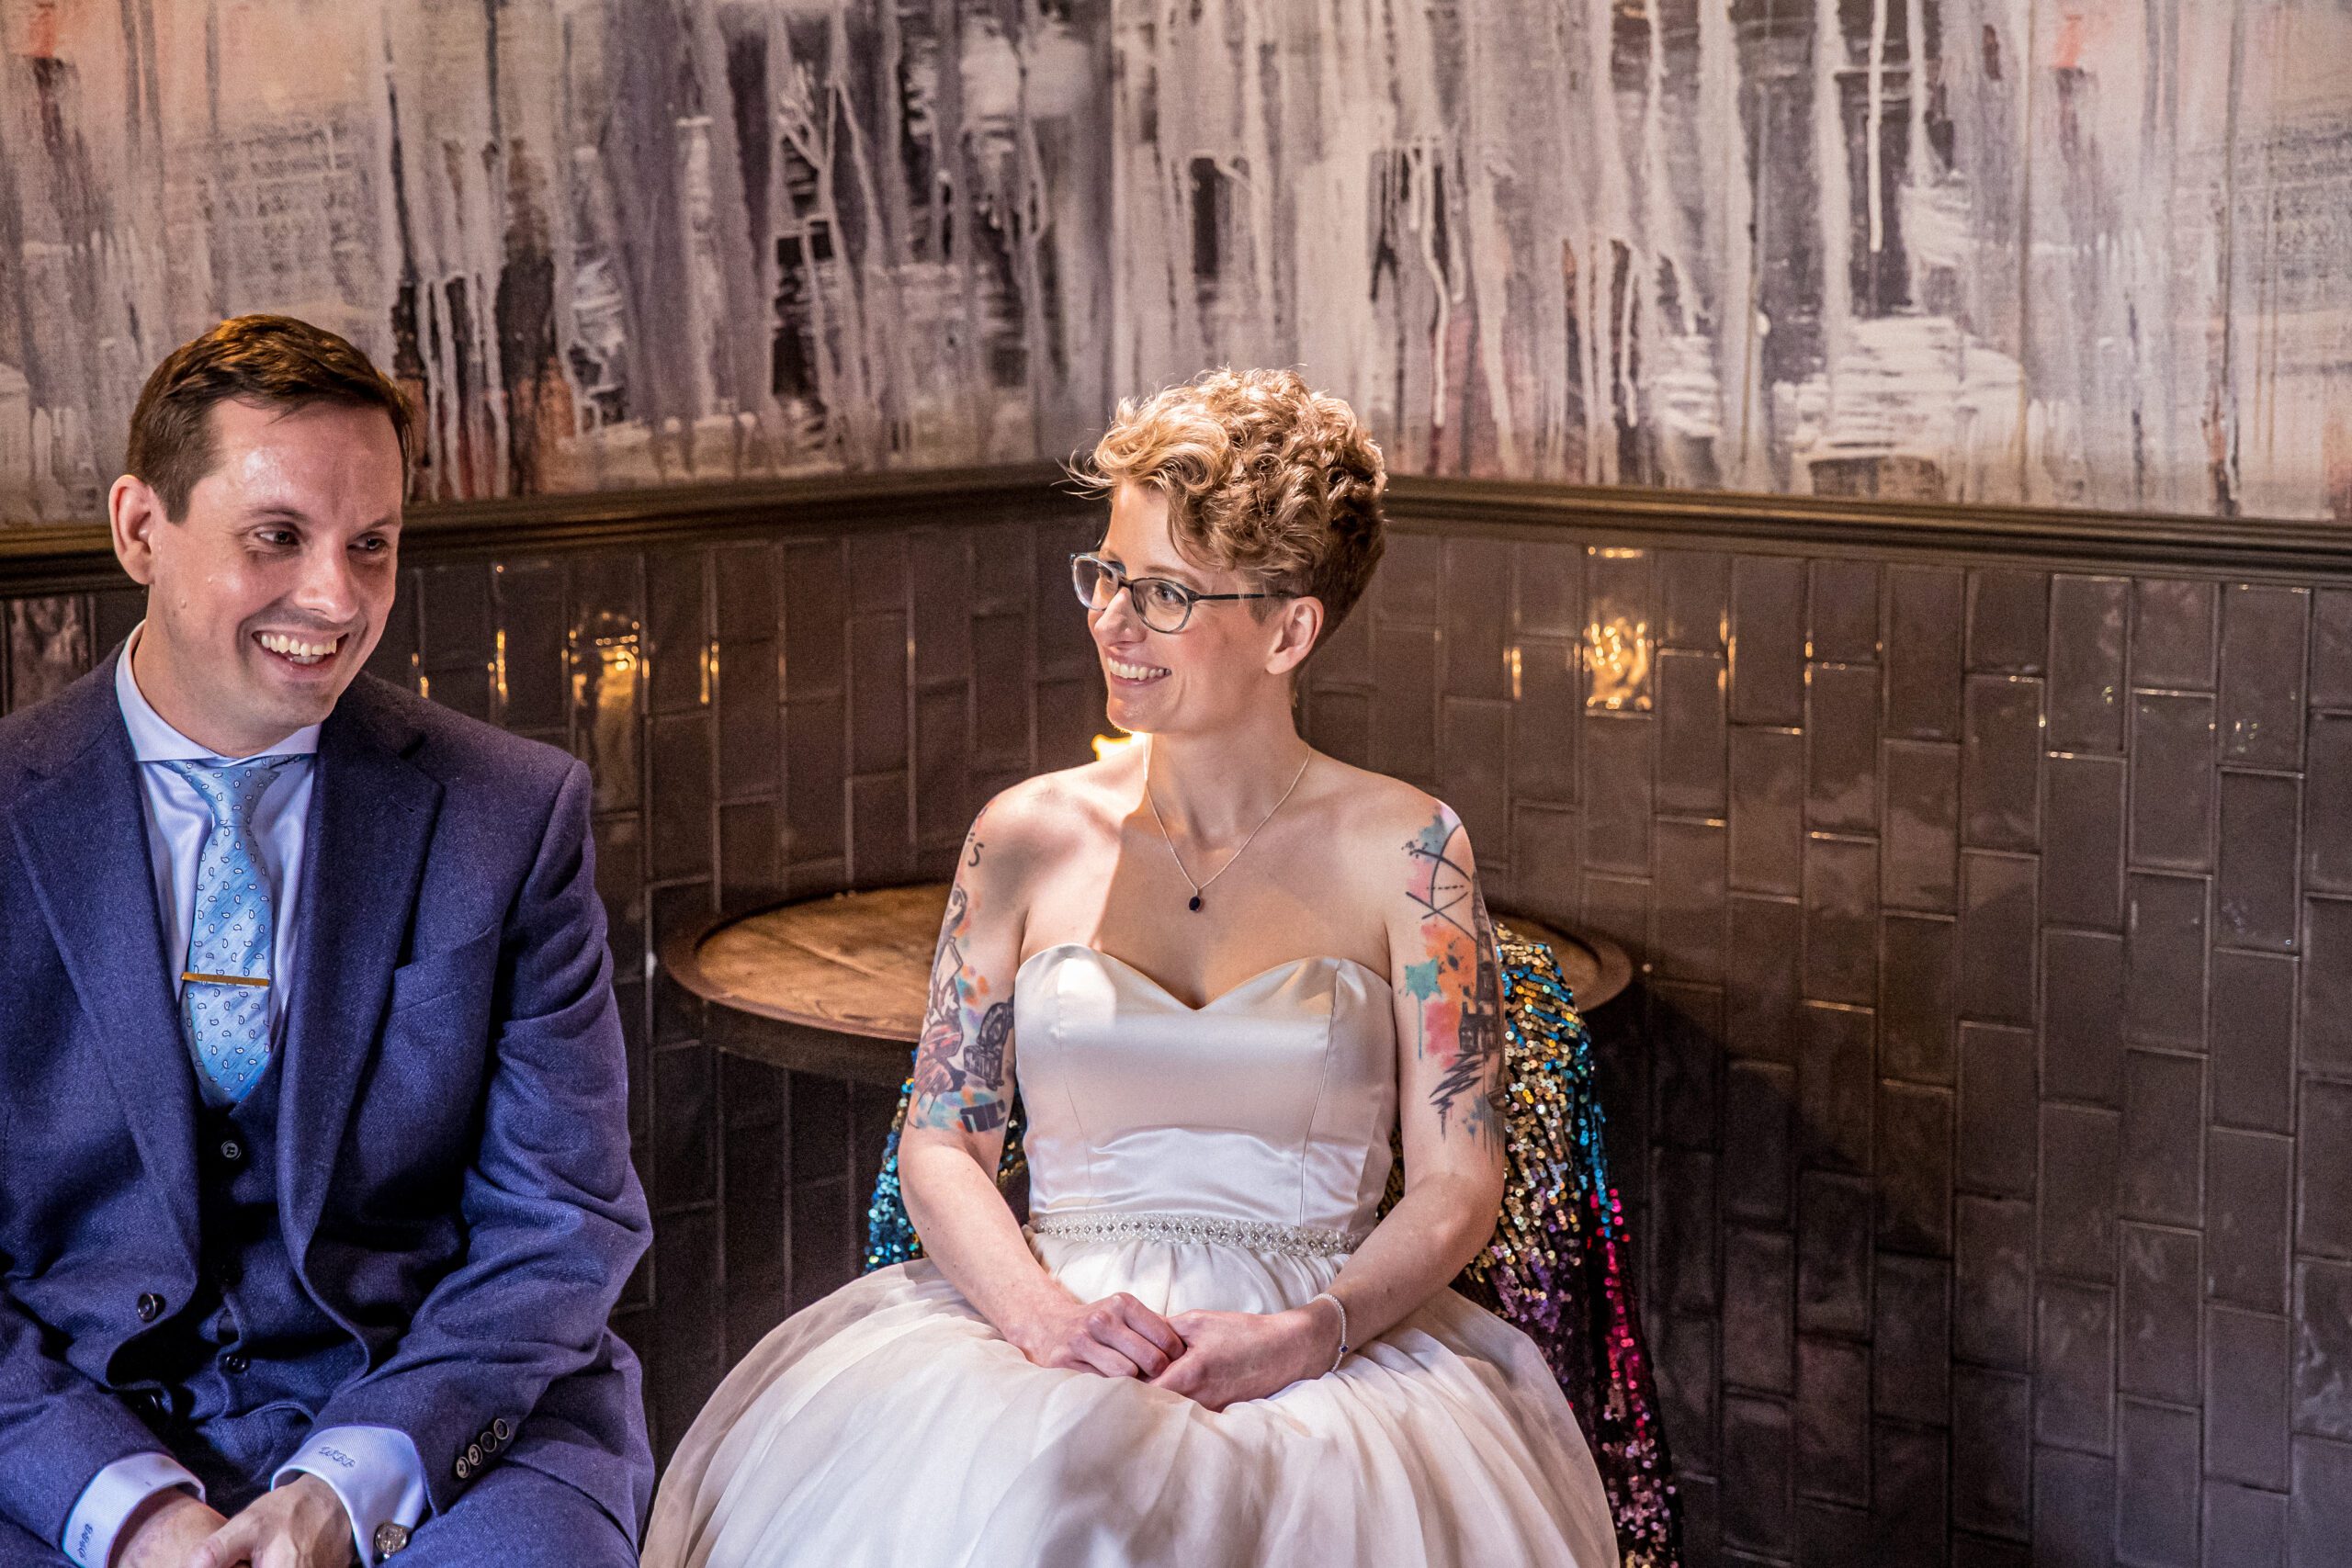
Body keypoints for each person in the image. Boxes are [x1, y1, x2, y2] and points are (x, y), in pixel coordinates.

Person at [644, 368, 1620, 1566]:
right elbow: (942, 1139)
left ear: (1290, 627)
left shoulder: (1414, 853)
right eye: (1104, 574)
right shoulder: (1021, 838)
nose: (1110, 620)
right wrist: (1042, 1321)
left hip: (1323, 1357)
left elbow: (1460, 1179)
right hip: (1044, 1337)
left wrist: (1315, 1331)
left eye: (1161, 593)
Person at [0, 316, 652, 1567]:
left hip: (439, 1412)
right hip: (56, 1426)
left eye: (371, 547)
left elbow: (562, 1218)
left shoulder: (512, 816)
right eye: (277, 538)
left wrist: (345, 1488)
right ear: (142, 529)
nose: (337, 600)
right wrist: (126, 1508)